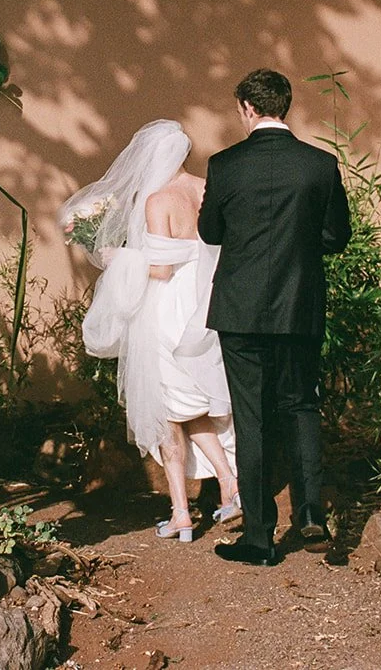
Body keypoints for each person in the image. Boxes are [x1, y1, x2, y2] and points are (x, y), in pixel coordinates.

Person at [60, 120, 241, 542]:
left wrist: (116, 257)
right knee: (194, 405)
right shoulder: (204, 188)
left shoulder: (157, 200)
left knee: (166, 414)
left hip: (166, 311)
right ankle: (229, 485)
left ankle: (183, 513)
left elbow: (158, 268)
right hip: (204, 306)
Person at [199, 69, 351, 566]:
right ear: (285, 106)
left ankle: (261, 539)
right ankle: (311, 513)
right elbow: (336, 236)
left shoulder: (224, 165)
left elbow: (210, 233)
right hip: (298, 305)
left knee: (252, 419)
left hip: (240, 310)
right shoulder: (320, 165)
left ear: (247, 107)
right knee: (302, 406)